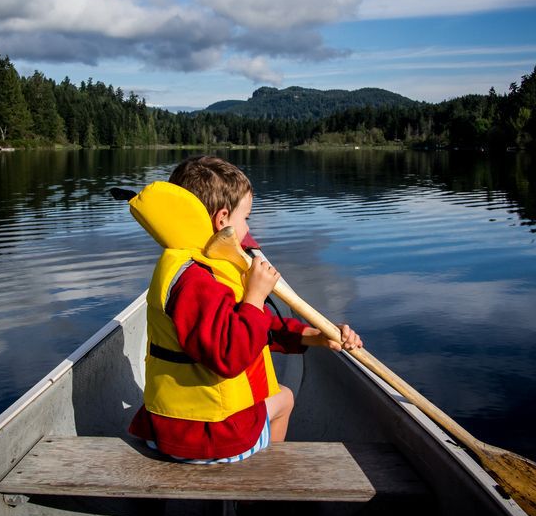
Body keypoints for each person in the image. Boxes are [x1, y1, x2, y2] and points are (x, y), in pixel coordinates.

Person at [127, 155, 362, 463]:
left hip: (172, 427)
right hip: (208, 437)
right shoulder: (198, 281)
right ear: (222, 219)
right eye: (246, 217)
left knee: (273, 393)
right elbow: (229, 355)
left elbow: (257, 326)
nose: (249, 227)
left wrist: (316, 336)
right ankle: (263, 489)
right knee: (286, 399)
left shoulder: (196, 263)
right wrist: (253, 296)